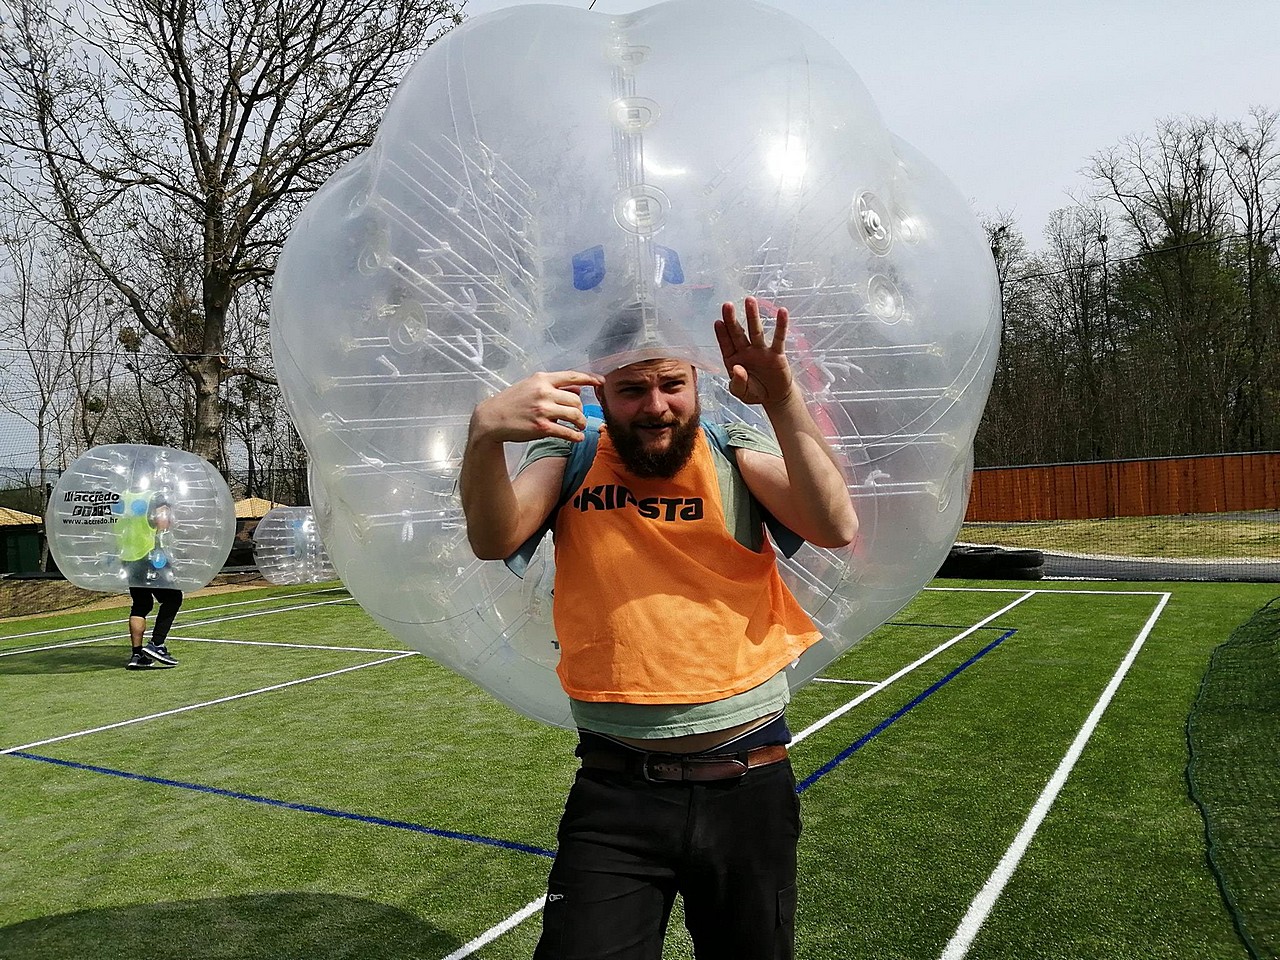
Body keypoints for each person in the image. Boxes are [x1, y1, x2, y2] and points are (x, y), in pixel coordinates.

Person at [460, 296, 857, 959]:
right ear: (599, 391)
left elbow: (835, 524)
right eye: (631, 389)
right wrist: (484, 434)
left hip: (747, 784)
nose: (655, 406)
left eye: (672, 384)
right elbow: (493, 535)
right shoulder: (570, 452)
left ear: (696, 381)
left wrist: (782, 397)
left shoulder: (732, 447)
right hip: (615, 792)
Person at [116, 489, 182, 670]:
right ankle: (157, 645)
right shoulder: (154, 496)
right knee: (173, 598)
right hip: (149, 556)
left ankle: (137, 655)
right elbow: (162, 523)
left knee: (141, 605)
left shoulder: (124, 496)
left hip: (128, 557)